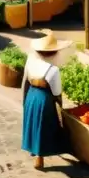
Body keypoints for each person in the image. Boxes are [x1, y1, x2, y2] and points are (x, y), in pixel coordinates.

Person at [22, 30, 70, 170]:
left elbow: (25, 82)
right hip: (44, 99)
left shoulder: (31, 62)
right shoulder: (53, 70)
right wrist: (61, 108)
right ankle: (40, 157)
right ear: (55, 53)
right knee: (44, 127)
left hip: (32, 95)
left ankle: (36, 154)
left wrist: (25, 101)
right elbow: (56, 92)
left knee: (34, 124)